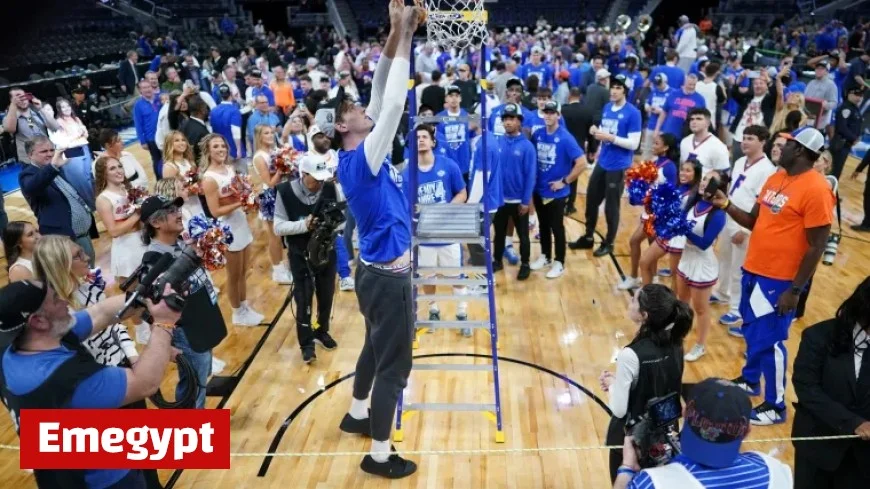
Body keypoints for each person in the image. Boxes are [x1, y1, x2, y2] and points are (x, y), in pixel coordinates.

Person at [328, 1, 422, 477]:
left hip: (372, 272)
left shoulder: (356, 156)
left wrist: (395, 29)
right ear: (344, 127)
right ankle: (381, 455)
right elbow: (394, 103)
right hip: (387, 277)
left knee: (373, 344)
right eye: (352, 108)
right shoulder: (363, 158)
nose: (363, 106)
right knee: (395, 367)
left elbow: (382, 86)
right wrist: (405, 34)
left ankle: (358, 413)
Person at [0, 277, 181, 488]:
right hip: (101, 480)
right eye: (56, 299)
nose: (65, 302)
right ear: (38, 321)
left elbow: (100, 313)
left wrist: (147, 296)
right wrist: (164, 323)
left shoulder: (19, 342)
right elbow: (145, 383)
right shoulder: (62, 380)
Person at [708, 127, 834, 425]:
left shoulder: (816, 189)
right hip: (754, 270)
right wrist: (725, 204)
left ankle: (775, 405)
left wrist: (795, 290)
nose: (779, 149)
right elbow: (753, 220)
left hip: (780, 280)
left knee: (772, 339)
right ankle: (751, 380)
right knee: (752, 330)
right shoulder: (776, 178)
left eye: (785, 145)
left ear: (801, 151)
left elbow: (818, 246)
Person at [613, 378, 793, 488]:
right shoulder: (776, 470)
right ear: (747, 431)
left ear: (684, 414)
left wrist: (627, 467)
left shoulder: (651, 483)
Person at [140, 195, 226, 409]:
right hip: (186, 331)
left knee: (201, 377)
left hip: (201, 321)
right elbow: (153, 307)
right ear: (156, 222)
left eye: (177, 209)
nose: (179, 213)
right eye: (170, 211)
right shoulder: (153, 261)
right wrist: (165, 344)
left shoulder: (183, 242)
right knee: (193, 387)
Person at [599, 284, 691, 482]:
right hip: (668, 430)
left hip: (633, 440)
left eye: (634, 300)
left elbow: (619, 409)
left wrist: (612, 384)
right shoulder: (677, 341)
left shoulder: (630, 355)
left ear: (645, 315)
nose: (629, 302)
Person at [791, 277, 870, 488]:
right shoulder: (819, 336)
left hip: (864, 462)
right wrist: (854, 423)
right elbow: (806, 387)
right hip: (819, 449)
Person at [271, 153, 341, 363]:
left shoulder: (330, 188)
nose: (319, 182)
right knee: (303, 299)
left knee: (326, 294)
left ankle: (322, 330)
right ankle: (306, 343)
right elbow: (278, 227)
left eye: (322, 178)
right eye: (315, 178)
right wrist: (304, 225)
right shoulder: (284, 192)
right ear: (303, 174)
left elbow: (343, 220)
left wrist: (331, 225)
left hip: (326, 251)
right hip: (300, 254)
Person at [402, 124, 469, 332]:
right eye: (417, 137)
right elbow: (405, 206)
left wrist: (446, 210)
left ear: (433, 141)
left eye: (424, 136)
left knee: (455, 276)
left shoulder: (448, 165)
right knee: (427, 276)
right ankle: (433, 309)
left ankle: (462, 313)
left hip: (448, 234)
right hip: (424, 236)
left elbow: (462, 194)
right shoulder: (407, 173)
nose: (420, 140)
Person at [571, 74, 642, 257]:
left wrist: (610, 138)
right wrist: (595, 131)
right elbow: (605, 132)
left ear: (625, 91)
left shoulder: (633, 113)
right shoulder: (607, 107)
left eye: (618, 88)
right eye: (613, 87)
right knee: (591, 201)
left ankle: (608, 242)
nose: (614, 90)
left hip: (618, 165)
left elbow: (634, 144)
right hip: (603, 162)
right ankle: (588, 236)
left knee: (612, 206)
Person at [714, 125, 777, 327]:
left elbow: (762, 205)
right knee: (723, 260)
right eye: (744, 138)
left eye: (750, 138)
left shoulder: (768, 170)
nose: (745, 142)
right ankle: (722, 292)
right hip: (728, 215)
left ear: (762, 142)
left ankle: (736, 310)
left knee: (738, 269)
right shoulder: (740, 161)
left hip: (744, 224)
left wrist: (745, 229)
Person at [200, 133, 264, 326]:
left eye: (222, 146)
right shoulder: (209, 179)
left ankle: (245, 307)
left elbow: (240, 194)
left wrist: (248, 198)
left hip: (241, 222)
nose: (221, 150)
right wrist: (240, 203)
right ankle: (237, 313)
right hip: (227, 229)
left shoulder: (229, 168)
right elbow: (215, 210)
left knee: (244, 270)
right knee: (233, 274)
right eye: (216, 147)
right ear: (208, 151)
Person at [18, 137, 98, 266]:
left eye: (51, 150)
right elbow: (32, 187)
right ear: (30, 155)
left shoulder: (57, 167)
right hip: (62, 238)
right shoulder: (27, 174)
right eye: (43, 151)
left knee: (88, 269)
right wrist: (53, 166)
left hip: (82, 234)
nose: (49, 154)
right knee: (74, 275)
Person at [529, 101, 586, 278]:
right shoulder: (538, 134)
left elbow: (582, 163)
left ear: (558, 115)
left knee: (557, 228)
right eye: (546, 112)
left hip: (556, 193)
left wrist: (565, 181)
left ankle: (559, 262)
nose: (548, 115)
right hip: (540, 190)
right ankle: (546, 255)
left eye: (552, 113)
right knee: (543, 225)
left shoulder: (565, 138)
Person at [677, 170, 728, 362]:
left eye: (710, 180)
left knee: (700, 309)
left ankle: (700, 346)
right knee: (682, 303)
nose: (704, 182)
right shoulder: (693, 201)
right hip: (686, 258)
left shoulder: (718, 214)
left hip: (702, 264)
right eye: (704, 178)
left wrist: (682, 228)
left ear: (718, 187)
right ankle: (678, 336)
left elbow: (704, 243)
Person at [619, 134, 679, 291]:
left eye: (657, 143)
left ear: (665, 147)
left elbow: (670, 193)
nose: (653, 145)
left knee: (634, 241)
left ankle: (634, 277)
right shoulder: (655, 162)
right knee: (650, 244)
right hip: (649, 211)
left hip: (657, 215)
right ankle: (653, 278)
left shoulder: (670, 167)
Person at [639, 158, 702, 287]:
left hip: (679, 238)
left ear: (696, 174)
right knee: (645, 262)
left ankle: (674, 306)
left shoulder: (697, 195)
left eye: (688, 171)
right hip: (667, 233)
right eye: (682, 170)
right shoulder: (678, 187)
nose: (683, 173)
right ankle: (647, 296)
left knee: (676, 278)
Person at [492, 103, 535, 280]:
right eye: (506, 119)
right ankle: (497, 260)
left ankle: (525, 264)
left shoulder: (527, 147)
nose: (508, 122)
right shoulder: (497, 143)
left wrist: (526, 201)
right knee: (499, 233)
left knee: (523, 235)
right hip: (501, 199)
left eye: (512, 119)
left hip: (518, 200)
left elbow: (530, 175)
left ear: (519, 122)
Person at [252, 124, 293, 285]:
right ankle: (277, 270)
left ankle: (288, 265)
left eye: (271, 132)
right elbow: (268, 183)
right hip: (270, 196)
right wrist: (282, 169)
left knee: (287, 233)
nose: (270, 135)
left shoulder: (276, 151)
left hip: (283, 191)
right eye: (266, 133)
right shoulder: (259, 157)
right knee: (275, 236)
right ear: (259, 137)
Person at [678, 108, 729, 175]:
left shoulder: (718, 146)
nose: (694, 122)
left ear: (708, 123)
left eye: (699, 119)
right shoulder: (685, 141)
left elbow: (724, 174)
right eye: (692, 119)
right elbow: (681, 166)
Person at [654, 74, 706, 140]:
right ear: (684, 82)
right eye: (690, 84)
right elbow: (664, 113)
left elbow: (703, 119)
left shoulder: (700, 99)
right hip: (669, 133)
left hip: (688, 135)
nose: (692, 87)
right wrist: (657, 129)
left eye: (694, 85)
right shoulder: (673, 94)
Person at [830, 86, 864, 181]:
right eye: (856, 95)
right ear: (849, 94)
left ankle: (833, 192)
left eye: (861, 95)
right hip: (840, 144)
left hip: (845, 144)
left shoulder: (854, 108)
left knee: (837, 170)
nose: (859, 98)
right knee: (834, 170)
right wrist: (854, 138)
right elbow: (842, 127)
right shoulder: (846, 108)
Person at [133, 78, 164, 177]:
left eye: (148, 87)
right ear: (140, 90)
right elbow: (138, 124)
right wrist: (143, 141)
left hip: (164, 135)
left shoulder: (161, 99)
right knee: (157, 160)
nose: (147, 89)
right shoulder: (138, 105)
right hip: (151, 138)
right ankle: (160, 182)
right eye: (144, 88)